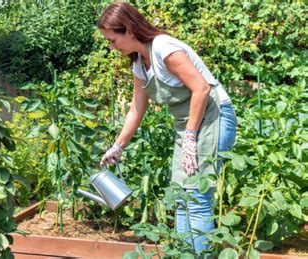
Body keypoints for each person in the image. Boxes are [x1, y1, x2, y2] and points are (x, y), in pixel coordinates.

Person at [98, 2, 237, 254]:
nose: (111, 46)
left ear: (128, 30)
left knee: (195, 197)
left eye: (112, 40)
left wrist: (191, 137)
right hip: (188, 127)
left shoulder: (164, 48)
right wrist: (118, 146)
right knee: (181, 197)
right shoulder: (139, 63)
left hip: (213, 118)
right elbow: (136, 109)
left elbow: (202, 88)